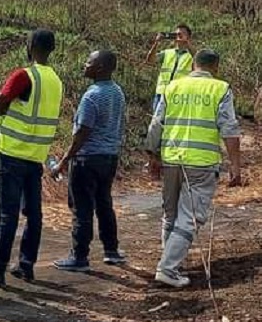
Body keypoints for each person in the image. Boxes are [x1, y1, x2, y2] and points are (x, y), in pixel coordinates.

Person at [0, 29, 63, 286]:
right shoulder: (56, 80)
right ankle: (25, 265)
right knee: (33, 213)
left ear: (31, 46)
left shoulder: (24, 75)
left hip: (12, 153)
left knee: (7, 214)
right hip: (36, 156)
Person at [145, 49, 243, 288]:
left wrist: (153, 156)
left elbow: (157, 124)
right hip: (201, 162)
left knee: (171, 215)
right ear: (215, 67)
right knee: (189, 219)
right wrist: (235, 166)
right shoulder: (220, 88)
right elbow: (229, 129)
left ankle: (170, 261)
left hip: (171, 159)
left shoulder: (173, 87)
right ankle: (168, 268)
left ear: (193, 66)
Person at [52, 50, 127, 272]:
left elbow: (83, 131)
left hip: (88, 158)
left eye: (89, 62)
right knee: (104, 203)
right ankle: (111, 250)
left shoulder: (91, 96)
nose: (85, 65)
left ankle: (79, 256)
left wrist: (65, 159)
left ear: (101, 68)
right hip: (109, 157)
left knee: (82, 207)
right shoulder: (117, 92)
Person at [145, 24, 194, 111]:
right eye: (177, 34)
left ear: (189, 37)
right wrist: (156, 43)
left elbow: (199, 60)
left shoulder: (191, 56)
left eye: (182, 34)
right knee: (157, 122)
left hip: (179, 95)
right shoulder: (167, 53)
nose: (179, 36)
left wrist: (187, 44)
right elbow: (150, 60)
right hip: (161, 93)